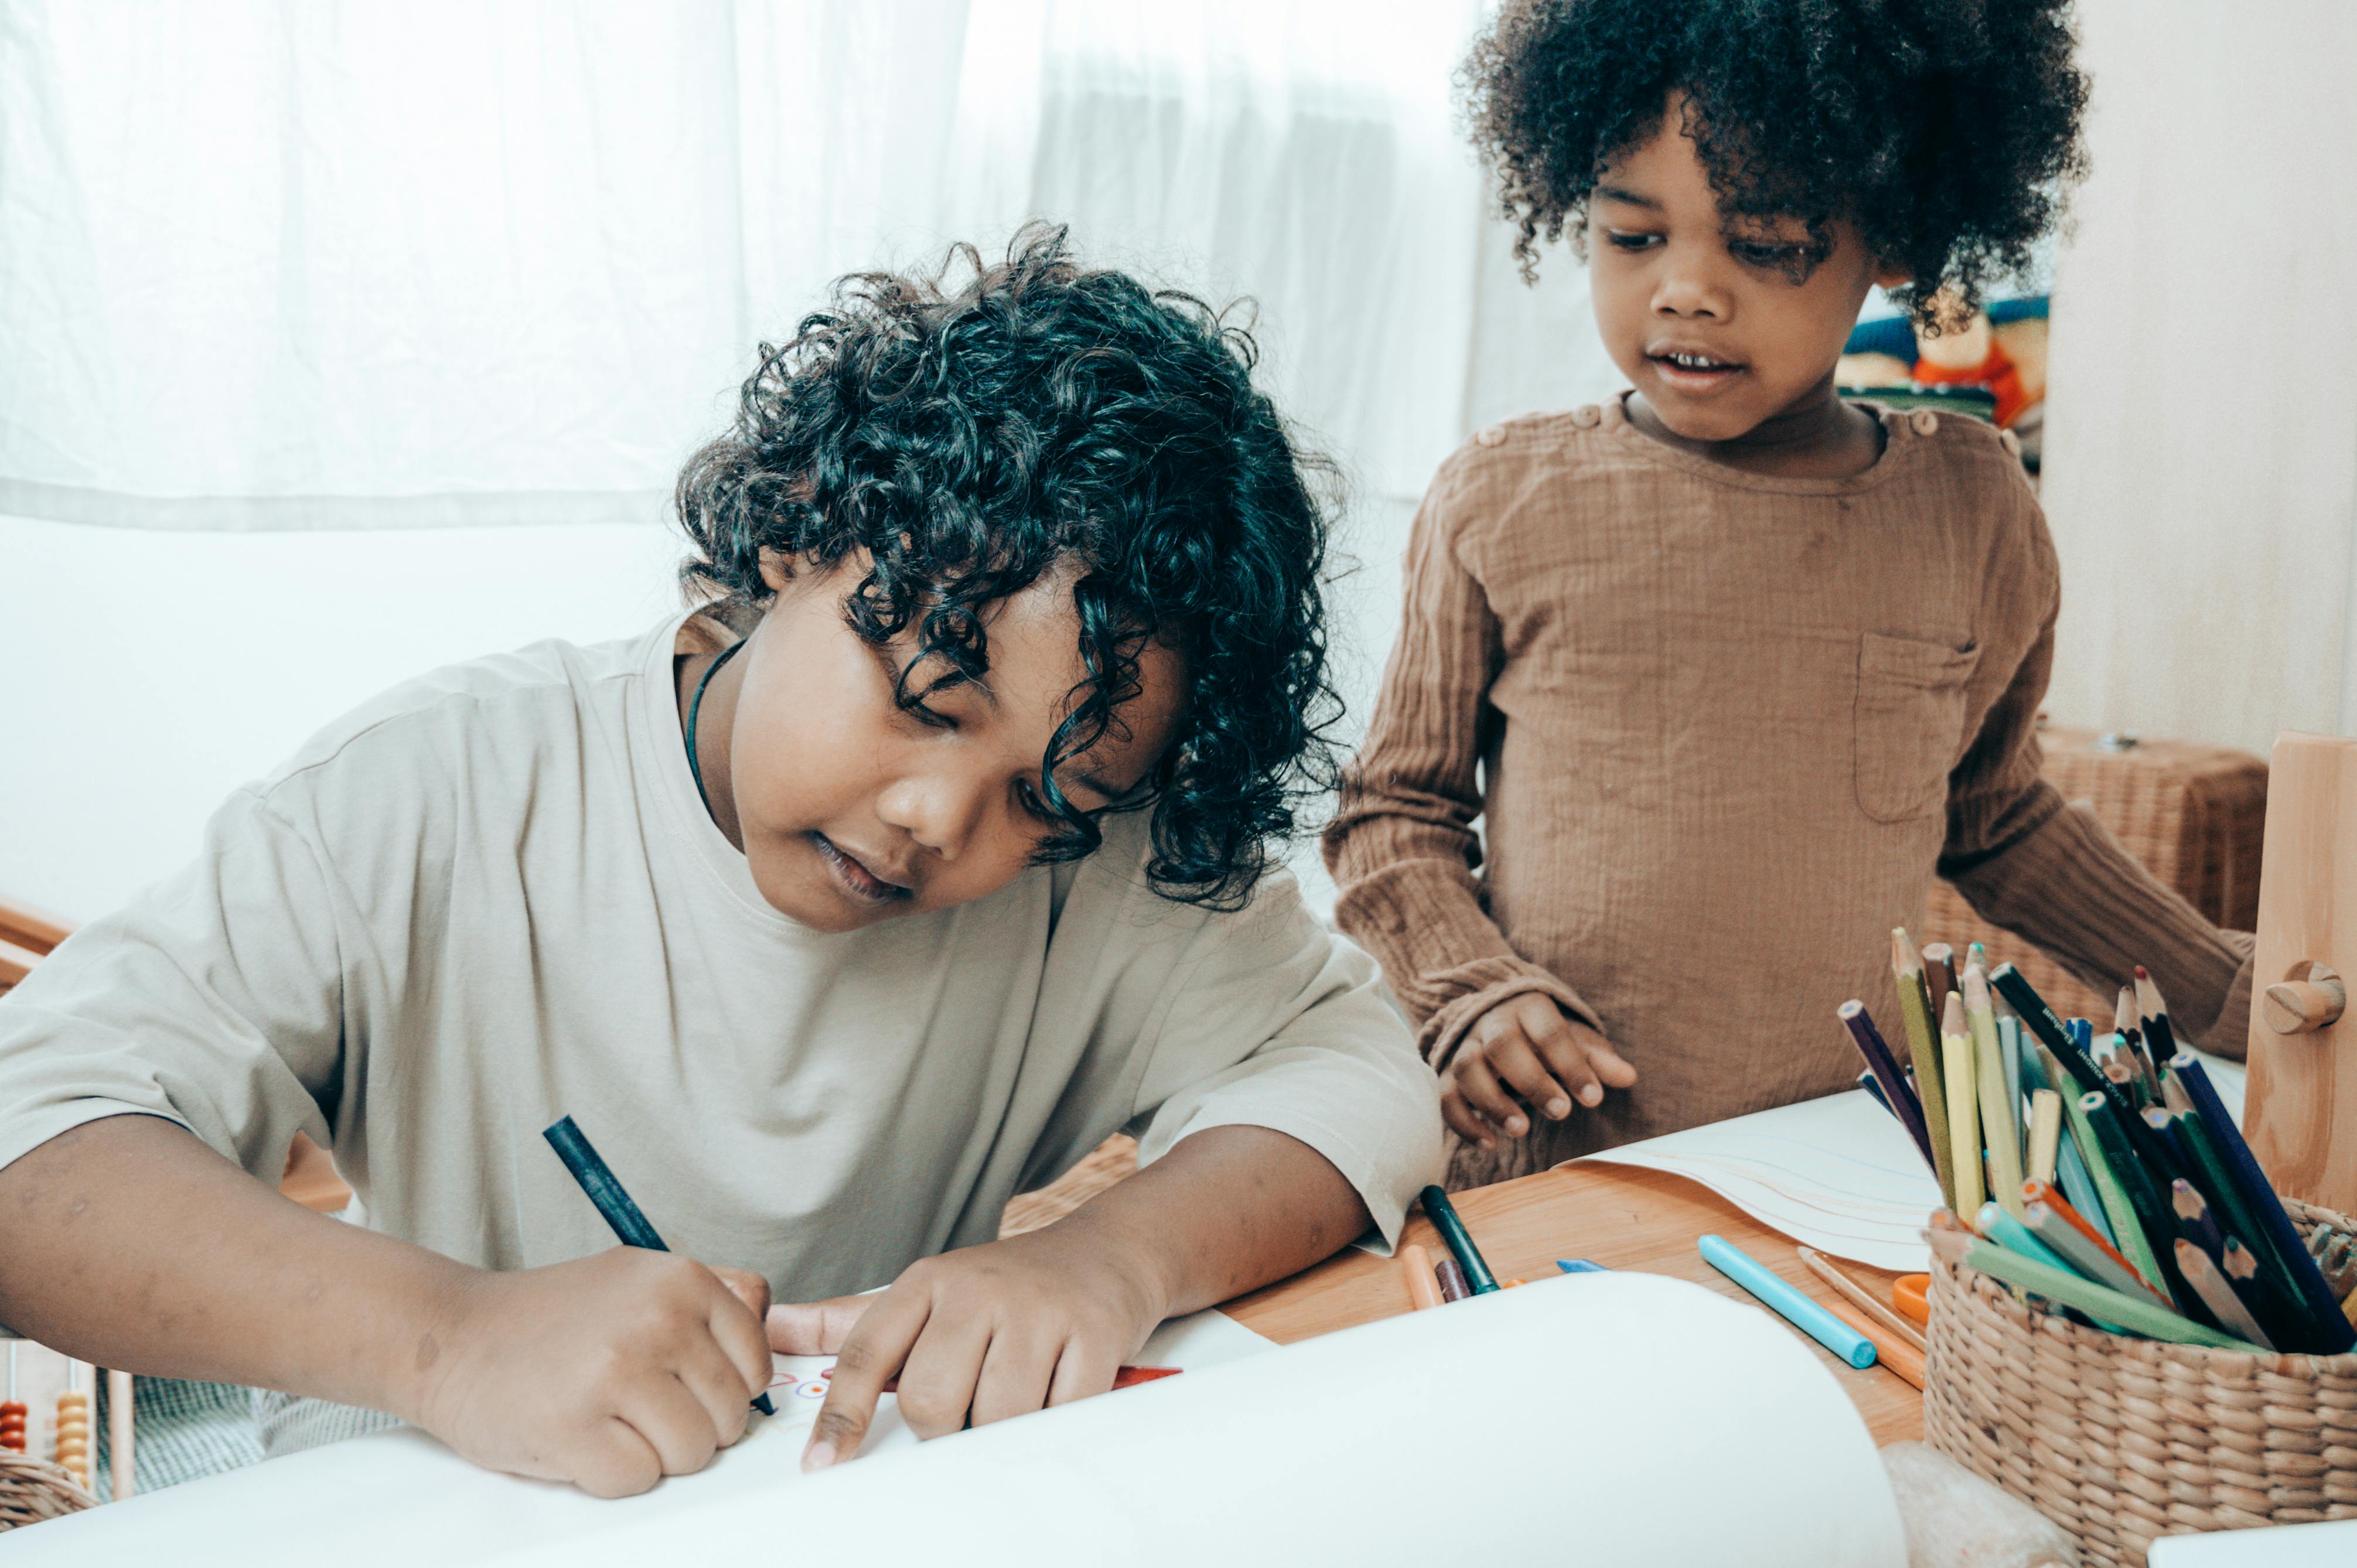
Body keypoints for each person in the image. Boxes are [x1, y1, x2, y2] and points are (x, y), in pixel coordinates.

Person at [0, 227, 1441, 1496]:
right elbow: (30, 1148)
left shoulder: (1096, 855)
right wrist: (449, 1336)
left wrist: (1111, 1259)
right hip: (432, 1504)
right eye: (926, 700)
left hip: (850, 1498)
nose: (943, 822)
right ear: (796, 535)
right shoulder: (442, 791)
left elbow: (1354, 1068)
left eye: (1043, 798)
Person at [1325, 0, 2252, 1188]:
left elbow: (1996, 817)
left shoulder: (1972, 508)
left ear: (1896, 237)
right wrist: (1470, 990)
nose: (1686, 293)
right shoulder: (1502, 497)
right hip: (1555, 1166)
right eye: (1630, 237)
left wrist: (2229, 989)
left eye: (1764, 247)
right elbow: (1391, 812)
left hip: (1843, 1164)